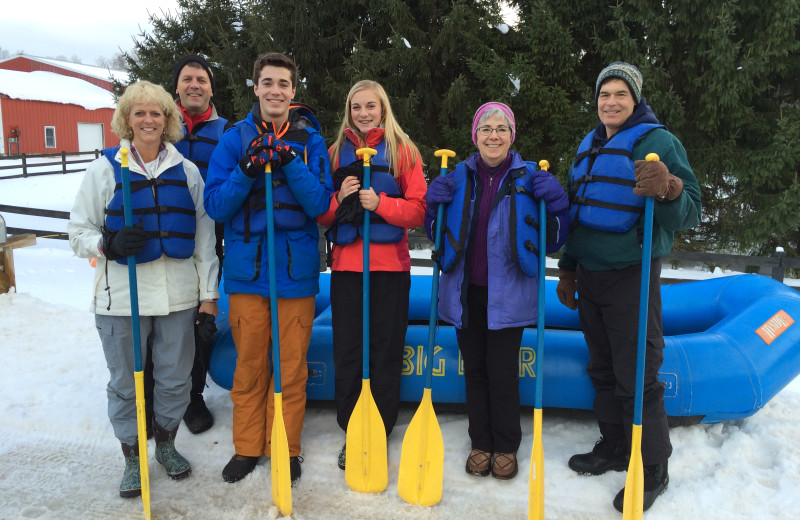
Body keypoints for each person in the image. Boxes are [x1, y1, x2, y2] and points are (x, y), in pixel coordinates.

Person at [556, 62, 701, 512]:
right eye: (605, 94)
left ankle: (653, 466)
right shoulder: (590, 144)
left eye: (620, 94)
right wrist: (568, 269)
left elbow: (692, 210)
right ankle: (616, 446)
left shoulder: (660, 142)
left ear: (635, 99)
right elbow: (578, 211)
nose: (611, 102)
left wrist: (670, 187)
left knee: (637, 373)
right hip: (590, 275)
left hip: (632, 274)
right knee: (602, 368)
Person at [67, 80, 220, 499]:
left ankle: (166, 444)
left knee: (175, 380)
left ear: (168, 119)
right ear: (127, 119)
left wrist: (209, 296)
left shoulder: (187, 172)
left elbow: (205, 240)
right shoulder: (104, 169)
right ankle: (133, 457)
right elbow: (77, 231)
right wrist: (108, 244)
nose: (149, 120)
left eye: (156, 112)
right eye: (140, 113)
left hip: (178, 297)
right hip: (121, 300)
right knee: (126, 382)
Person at [204, 52, 333, 486]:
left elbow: (320, 204)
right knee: (250, 367)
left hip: (295, 275)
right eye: (268, 82)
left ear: (293, 91)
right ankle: (246, 447)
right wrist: (247, 169)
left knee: (291, 368)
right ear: (256, 87)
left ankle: (285, 446)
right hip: (247, 275)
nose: (275, 91)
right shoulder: (233, 140)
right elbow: (216, 205)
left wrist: (290, 163)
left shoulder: (311, 142)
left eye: (283, 84)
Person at [424, 102, 569, 480]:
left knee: (502, 373)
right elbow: (437, 234)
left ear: (512, 136)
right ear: (475, 136)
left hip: (509, 296)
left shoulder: (530, 178)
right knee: (474, 371)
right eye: (486, 128)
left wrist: (556, 202)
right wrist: (432, 206)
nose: (493, 135)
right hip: (465, 294)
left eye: (501, 129)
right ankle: (480, 442)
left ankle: (505, 445)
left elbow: (554, 239)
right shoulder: (457, 176)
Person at [318, 80, 427, 470]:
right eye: (356, 107)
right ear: (348, 111)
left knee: (385, 350)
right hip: (348, 269)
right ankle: (353, 429)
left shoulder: (403, 151)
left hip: (390, 270)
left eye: (371, 106)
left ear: (383, 109)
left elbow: (418, 210)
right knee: (348, 351)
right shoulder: (334, 153)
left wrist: (380, 203)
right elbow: (321, 213)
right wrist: (340, 198)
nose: (363, 114)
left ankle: (379, 429)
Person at [142, 55, 230, 437]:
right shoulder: (158, 127)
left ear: (211, 88)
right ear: (176, 86)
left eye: (202, 79)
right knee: (157, 318)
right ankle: (149, 397)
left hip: (209, 237)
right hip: (160, 237)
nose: (194, 85)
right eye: (187, 79)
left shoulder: (227, 132)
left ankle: (193, 396)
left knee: (201, 320)